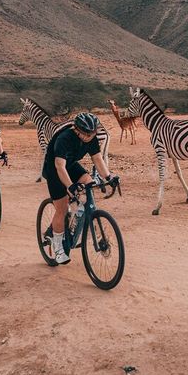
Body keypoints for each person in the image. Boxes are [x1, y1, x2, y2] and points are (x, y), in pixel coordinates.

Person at [42, 112, 118, 265]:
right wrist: (70, 186)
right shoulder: (64, 138)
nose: (89, 137)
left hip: (70, 165)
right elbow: (59, 166)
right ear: (77, 130)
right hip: (55, 169)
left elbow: (97, 159)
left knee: (88, 182)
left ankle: (79, 213)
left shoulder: (91, 137)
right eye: (86, 134)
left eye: (92, 134)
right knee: (62, 209)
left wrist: (109, 177)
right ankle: (58, 247)